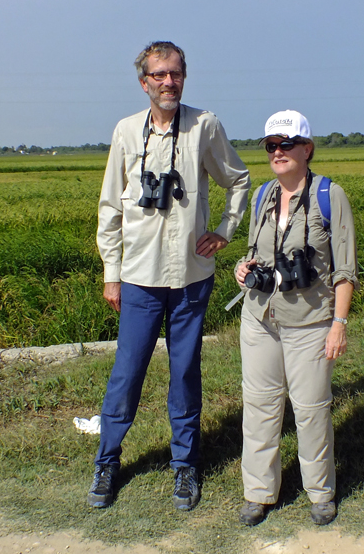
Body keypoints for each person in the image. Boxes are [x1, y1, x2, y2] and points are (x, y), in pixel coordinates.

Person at [91, 41, 250, 511]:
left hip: (191, 276)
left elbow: (237, 179)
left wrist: (224, 230)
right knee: (127, 372)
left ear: (185, 77)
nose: (168, 82)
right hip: (139, 277)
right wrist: (111, 273)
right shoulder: (124, 132)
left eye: (175, 74)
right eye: (158, 75)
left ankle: (185, 466)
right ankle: (107, 460)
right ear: (144, 83)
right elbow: (109, 205)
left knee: (184, 373)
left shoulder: (205, 125)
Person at [234, 110, 359, 526]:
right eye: (271, 145)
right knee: (260, 406)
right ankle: (259, 492)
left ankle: (320, 492)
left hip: (309, 322)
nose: (278, 152)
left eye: (287, 144)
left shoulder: (329, 195)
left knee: (310, 409)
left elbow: (345, 269)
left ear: (307, 149)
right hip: (259, 318)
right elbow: (255, 253)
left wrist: (338, 324)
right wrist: (243, 267)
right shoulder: (262, 195)